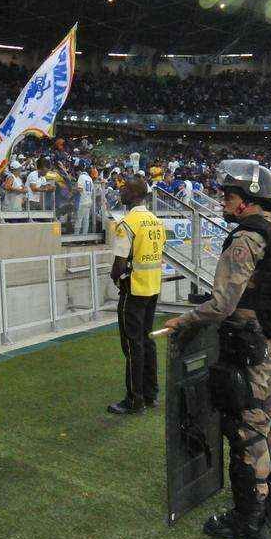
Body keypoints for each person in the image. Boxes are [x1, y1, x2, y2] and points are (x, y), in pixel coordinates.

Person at [161, 159, 271, 539]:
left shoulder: (246, 239)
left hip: (250, 348)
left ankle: (249, 516)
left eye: (228, 195)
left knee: (248, 428)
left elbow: (224, 304)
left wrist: (187, 318)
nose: (222, 201)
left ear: (245, 201)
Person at [106, 177, 164, 415]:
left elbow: (119, 263)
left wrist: (114, 277)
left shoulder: (127, 223)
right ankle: (150, 394)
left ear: (132, 194)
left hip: (133, 289)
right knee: (147, 341)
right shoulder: (155, 221)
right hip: (153, 288)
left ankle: (134, 399)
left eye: (124, 189)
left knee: (132, 345)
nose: (120, 192)